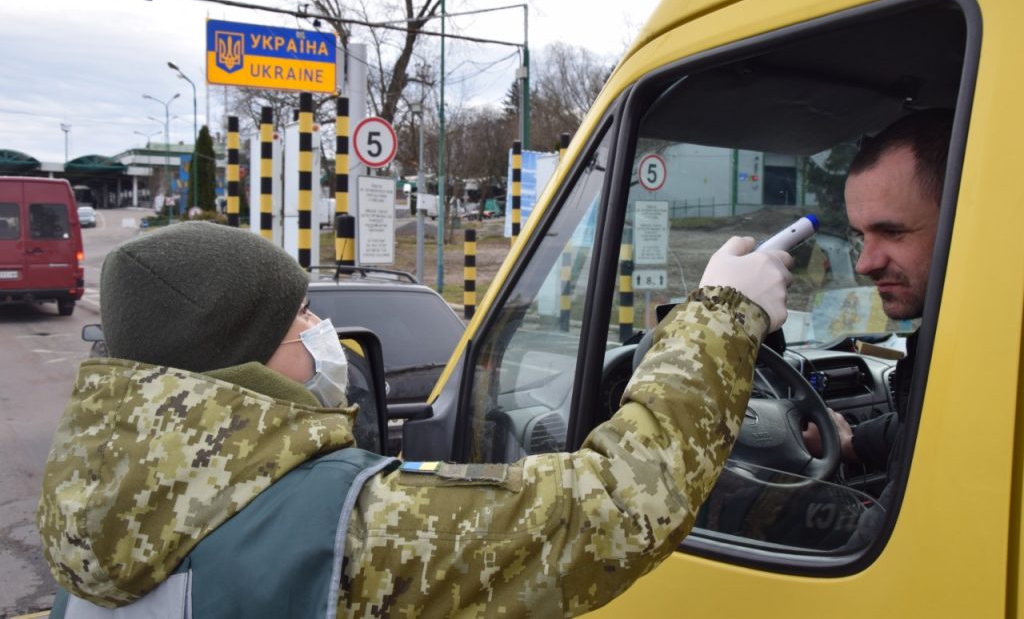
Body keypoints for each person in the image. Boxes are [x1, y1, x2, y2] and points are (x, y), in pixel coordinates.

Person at [37, 221, 792, 617]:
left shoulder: (93, 515)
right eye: (302, 316)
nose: (320, 332)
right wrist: (724, 314)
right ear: (244, 356)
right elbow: (621, 507)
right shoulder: (335, 529)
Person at [805, 109, 952, 501]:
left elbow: (867, 551)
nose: (864, 263)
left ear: (965, 217)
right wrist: (851, 442)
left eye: (892, 232)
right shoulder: (960, 339)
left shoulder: (987, 358)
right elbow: (925, 434)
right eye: (860, 236)